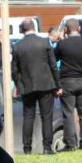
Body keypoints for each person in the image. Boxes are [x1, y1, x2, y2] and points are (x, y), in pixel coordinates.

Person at [11, 18, 60, 154]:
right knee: (47, 117)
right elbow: (53, 65)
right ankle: (47, 148)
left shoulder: (17, 46)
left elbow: (14, 70)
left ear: (22, 29)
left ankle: (27, 149)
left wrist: (18, 85)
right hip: (46, 84)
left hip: (27, 86)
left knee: (28, 116)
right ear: (34, 27)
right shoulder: (44, 42)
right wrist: (57, 85)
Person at [55, 18, 82, 150]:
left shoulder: (63, 45)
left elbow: (53, 60)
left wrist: (61, 40)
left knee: (68, 114)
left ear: (66, 30)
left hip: (67, 82)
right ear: (79, 28)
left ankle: (70, 144)